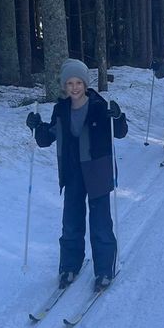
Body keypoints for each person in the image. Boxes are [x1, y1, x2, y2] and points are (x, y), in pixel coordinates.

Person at [26, 59, 127, 291]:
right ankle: (70, 265)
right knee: (71, 222)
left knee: (100, 222)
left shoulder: (99, 105)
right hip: (72, 172)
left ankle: (104, 269)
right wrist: (35, 126)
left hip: (98, 171)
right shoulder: (60, 109)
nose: (74, 87)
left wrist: (118, 116)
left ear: (85, 83)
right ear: (64, 85)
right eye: (69, 83)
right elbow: (45, 139)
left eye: (78, 82)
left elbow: (119, 132)